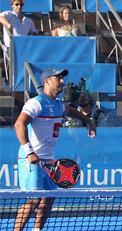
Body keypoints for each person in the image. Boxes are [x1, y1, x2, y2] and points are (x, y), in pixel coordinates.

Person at [13, 68, 96, 231]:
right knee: (34, 201)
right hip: (30, 158)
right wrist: (29, 152)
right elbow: (19, 124)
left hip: (49, 160)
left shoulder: (58, 105)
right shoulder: (36, 102)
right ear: (47, 81)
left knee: (48, 199)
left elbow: (70, 111)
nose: (62, 82)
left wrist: (89, 121)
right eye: (58, 78)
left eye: (62, 78)